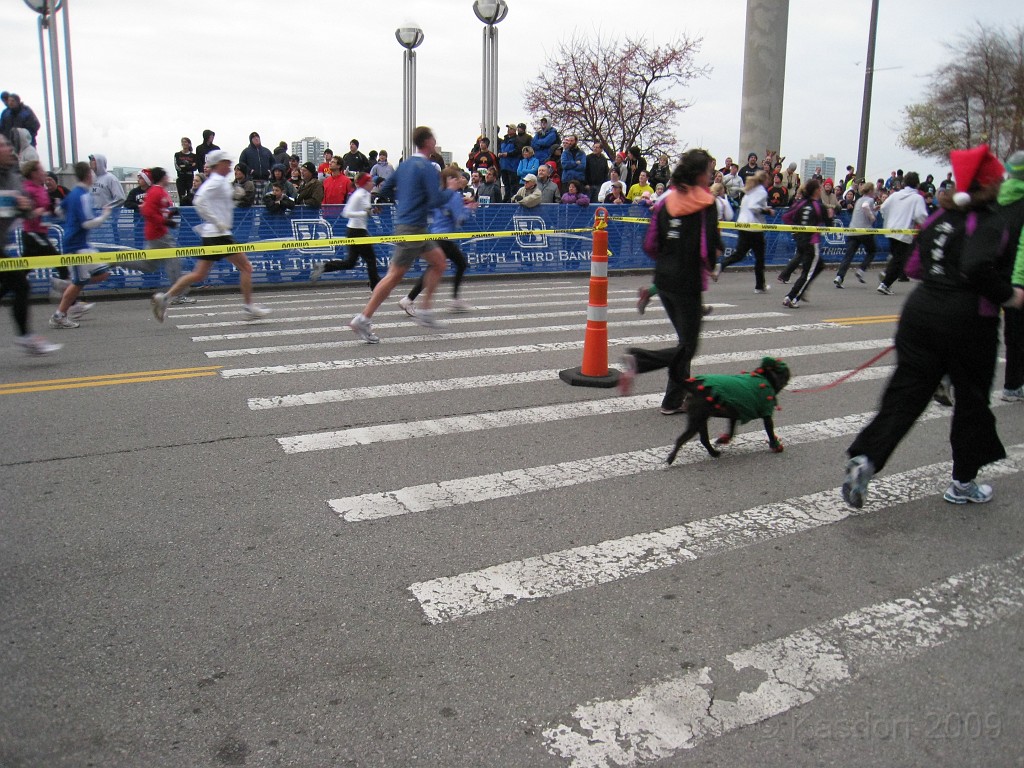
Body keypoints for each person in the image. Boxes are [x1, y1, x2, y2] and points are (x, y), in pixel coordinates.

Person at [842, 144, 1024, 509]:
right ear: (991, 184)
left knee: (906, 394)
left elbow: (912, 268)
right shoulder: (989, 219)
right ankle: (963, 483)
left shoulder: (940, 216)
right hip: (968, 320)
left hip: (920, 312)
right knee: (972, 402)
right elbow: (976, 267)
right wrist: (1010, 296)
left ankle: (866, 459)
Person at [617, 149, 722, 413]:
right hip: (687, 281)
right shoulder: (706, 202)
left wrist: (666, 260)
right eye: (709, 171)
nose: (710, 176)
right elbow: (708, 246)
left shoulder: (665, 200)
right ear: (700, 174)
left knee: (683, 341)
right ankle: (638, 361)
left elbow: (651, 243)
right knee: (688, 346)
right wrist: (711, 266)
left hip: (663, 278)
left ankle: (673, 400)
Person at [348, 126, 453, 342]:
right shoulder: (426, 167)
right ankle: (363, 318)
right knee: (394, 275)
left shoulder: (404, 165)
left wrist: (382, 201)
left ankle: (424, 310)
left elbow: (385, 189)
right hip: (412, 227)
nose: (435, 142)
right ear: (428, 142)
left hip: (415, 227)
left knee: (440, 262)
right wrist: (451, 190)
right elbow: (435, 200)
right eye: (433, 139)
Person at [150, 149, 270, 322]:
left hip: (214, 234)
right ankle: (248, 307)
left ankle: (165, 298)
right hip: (219, 234)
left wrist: (234, 198)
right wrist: (216, 221)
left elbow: (219, 203)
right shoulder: (216, 181)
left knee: (199, 274)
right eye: (227, 163)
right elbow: (199, 201)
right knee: (246, 268)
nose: (230, 166)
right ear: (218, 164)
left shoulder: (219, 181)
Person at [1, 147, 60, 354]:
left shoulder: (12, 177)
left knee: (18, 285)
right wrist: (15, 205)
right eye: (2, 145)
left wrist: (25, 207)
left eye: (8, 144)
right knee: (19, 284)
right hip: (32, 236)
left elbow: (25, 212)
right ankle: (26, 337)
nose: (8, 148)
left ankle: (26, 337)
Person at [399, 166, 473, 315]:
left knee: (457, 264)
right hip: (445, 237)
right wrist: (469, 209)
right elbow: (459, 219)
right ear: (450, 180)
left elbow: (433, 210)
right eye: (457, 178)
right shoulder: (454, 196)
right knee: (439, 268)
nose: (460, 181)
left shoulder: (439, 194)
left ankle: (453, 299)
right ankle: (410, 299)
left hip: (435, 235)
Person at [49, 160, 113, 329]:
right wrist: (105, 215)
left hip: (82, 243)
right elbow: (87, 223)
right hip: (76, 245)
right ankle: (60, 315)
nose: (94, 175)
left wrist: (71, 220)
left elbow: (58, 211)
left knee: (103, 273)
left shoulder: (73, 194)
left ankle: (67, 286)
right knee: (79, 281)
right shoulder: (82, 195)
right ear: (87, 175)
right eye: (91, 173)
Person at [310, 173, 380, 289]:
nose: (372, 183)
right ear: (365, 183)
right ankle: (376, 287)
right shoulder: (358, 195)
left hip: (357, 231)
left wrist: (373, 212)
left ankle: (324, 266)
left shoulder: (366, 194)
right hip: (356, 232)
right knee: (371, 259)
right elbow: (346, 213)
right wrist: (364, 213)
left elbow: (367, 211)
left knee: (351, 262)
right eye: (370, 181)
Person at [714, 170, 770, 292]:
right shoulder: (761, 191)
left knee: (740, 254)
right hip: (754, 227)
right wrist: (767, 210)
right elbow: (754, 207)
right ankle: (759, 286)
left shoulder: (749, 190)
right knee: (760, 257)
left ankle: (721, 265)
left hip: (743, 224)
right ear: (764, 180)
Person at [997, 150, 1024, 402]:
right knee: (1017, 334)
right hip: (1017, 277)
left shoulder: (996, 199)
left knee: (982, 329)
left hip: (990, 274)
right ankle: (1013, 385)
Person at [877, 171, 928, 295]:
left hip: (891, 230)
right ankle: (885, 283)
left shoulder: (895, 195)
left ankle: (886, 273)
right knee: (901, 261)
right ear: (917, 184)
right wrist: (925, 225)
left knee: (896, 257)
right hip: (905, 232)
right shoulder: (917, 198)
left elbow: (883, 208)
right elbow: (921, 215)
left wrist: (889, 219)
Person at [782, 179, 828, 309]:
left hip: (800, 240)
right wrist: (831, 214)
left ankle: (802, 290)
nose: (821, 190)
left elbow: (786, 217)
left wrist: (796, 231)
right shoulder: (818, 206)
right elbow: (829, 223)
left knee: (819, 266)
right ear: (816, 191)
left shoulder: (800, 204)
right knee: (807, 273)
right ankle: (792, 297)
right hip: (812, 243)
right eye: (820, 188)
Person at [834, 182, 879, 287]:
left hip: (853, 230)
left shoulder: (858, 200)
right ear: (870, 191)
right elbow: (866, 207)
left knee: (848, 255)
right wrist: (872, 217)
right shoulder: (870, 200)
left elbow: (864, 208)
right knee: (872, 251)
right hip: (864, 231)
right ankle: (861, 270)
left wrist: (875, 209)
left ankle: (839, 276)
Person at [174, 137, 197, 201]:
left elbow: (194, 168)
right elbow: (177, 167)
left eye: (185, 142)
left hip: (190, 178)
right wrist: (189, 165)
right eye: (183, 142)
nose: (184, 143)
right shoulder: (177, 154)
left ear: (189, 144)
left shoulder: (194, 156)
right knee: (182, 197)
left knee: (191, 197)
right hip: (181, 178)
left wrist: (184, 166)